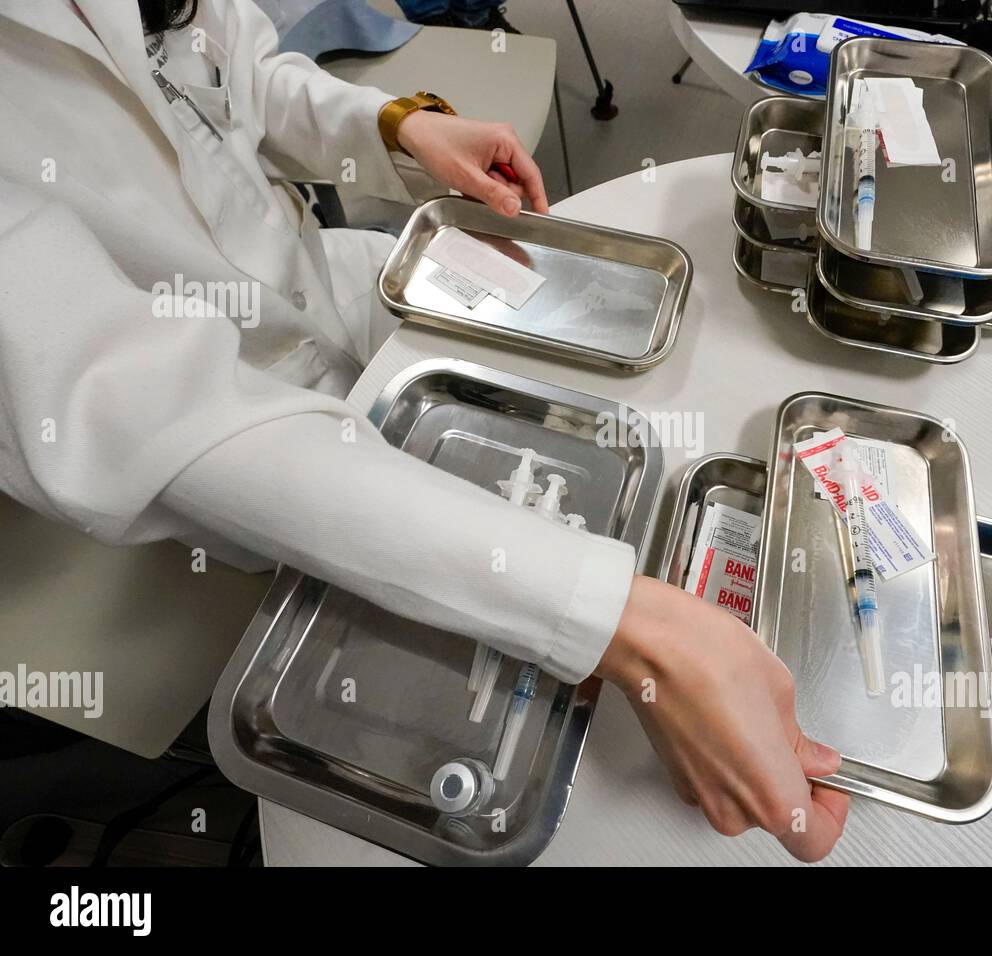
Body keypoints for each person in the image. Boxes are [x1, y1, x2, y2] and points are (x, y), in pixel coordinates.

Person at [0, 0, 849, 861]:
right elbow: (142, 406)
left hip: (336, 291)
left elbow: (222, 72)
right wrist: (632, 627)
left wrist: (391, 127)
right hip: (218, 458)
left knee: (641, 361)